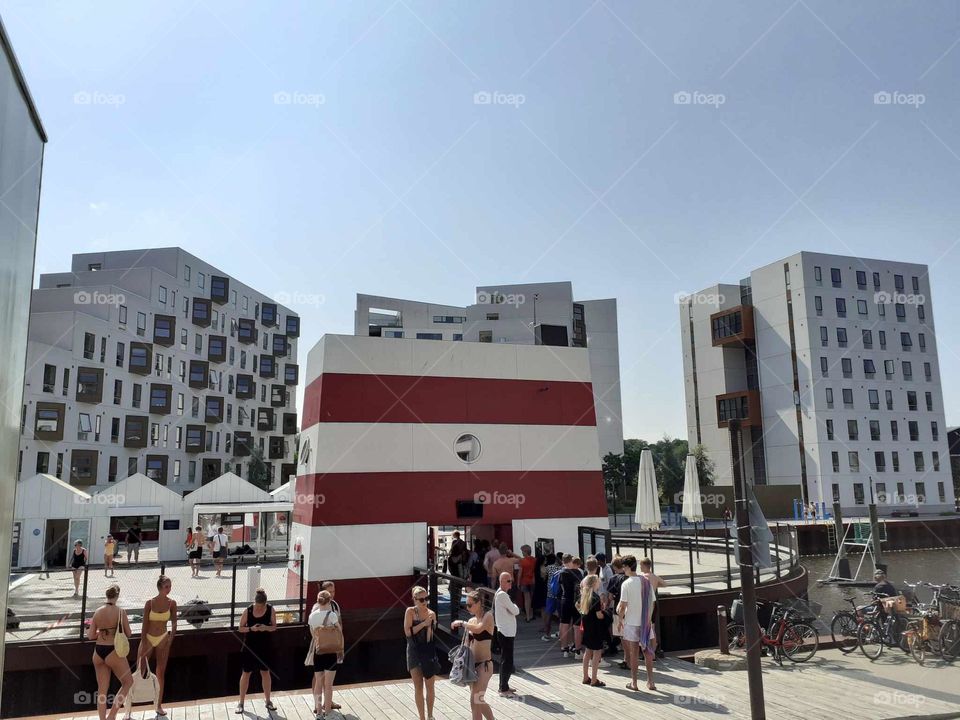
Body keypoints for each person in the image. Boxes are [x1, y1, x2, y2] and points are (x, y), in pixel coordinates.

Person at [87, 584, 132, 720]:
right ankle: (112, 715)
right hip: (113, 650)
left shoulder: (97, 612)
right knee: (128, 682)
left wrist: (103, 631)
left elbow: (90, 636)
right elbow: (128, 633)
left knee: (102, 690)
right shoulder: (120, 612)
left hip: (98, 650)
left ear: (107, 595)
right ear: (117, 596)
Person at [451, 591, 495, 720]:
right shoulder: (471, 620)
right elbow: (466, 644)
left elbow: (479, 629)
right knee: (478, 701)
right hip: (471, 665)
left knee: (475, 699)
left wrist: (462, 623)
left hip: (484, 665)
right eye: (466, 605)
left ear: (479, 603)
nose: (467, 608)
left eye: (470, 605)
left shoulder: (488, 616)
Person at [138, 575, 177, 716]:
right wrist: (143, 642)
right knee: (140, 671)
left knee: (160, 672)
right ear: (160, 587)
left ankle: (158, 705)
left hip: (162, 638)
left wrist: (170, 640)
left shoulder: (172, 603)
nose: (169, 589)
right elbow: (144, 626)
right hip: (148, 637)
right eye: (166, 587)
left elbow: (174, 624)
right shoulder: (150, 603)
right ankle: (129, 705)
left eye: (170, 586)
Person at [617, 555, 656, 692]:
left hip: (632, 622)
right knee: (647, 651)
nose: (623, 569)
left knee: (634, 653)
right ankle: (650, 681)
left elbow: (622, 606)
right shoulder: (646, 581)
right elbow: (652, 603)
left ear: (627, 567)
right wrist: (648, 619)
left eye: (623, 566)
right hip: (645, 621)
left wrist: (620, 620)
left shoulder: (626, 584)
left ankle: (634, 682)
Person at [236, 587, 277, 714]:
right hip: (250, 646)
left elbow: (274, 627)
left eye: (261, 607)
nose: (259, 609)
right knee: (246, 673)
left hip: (265, 646)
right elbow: (240, 628)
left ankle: (268, 701)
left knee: (265, 672)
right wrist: (251, 629)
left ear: (265, 604)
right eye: (257, 607)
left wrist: (265, 627)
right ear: (254, 603)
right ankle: (241, 702)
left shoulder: (270, 609)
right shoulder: (247, 610)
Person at [404, 586, 438, 720]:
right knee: (418, 686)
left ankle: (430, 715)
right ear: (415, 600)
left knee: (430, 685)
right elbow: (408, 632)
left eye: (427, 599)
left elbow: (431, 637)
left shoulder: (432, 613)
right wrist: (424, 623)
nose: (425, 602)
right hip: (414, 650)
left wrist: (429, 625)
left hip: (427, 650)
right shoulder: (410, 612)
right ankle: (421, 717)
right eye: (422, 599)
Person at [309, 590, 343, 719]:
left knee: (318, 682)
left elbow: (313, 634)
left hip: (319, 651)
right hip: (331, 652)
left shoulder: (312, 616)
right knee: (328, 685)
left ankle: (318, 712)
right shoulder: (333, 615)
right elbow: (339, 632)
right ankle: (328, 712)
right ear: (329, 601)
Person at [494, 571, 520, 697]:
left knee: (507, 659)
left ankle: (505, 685)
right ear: (502, 582)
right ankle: (503, 689)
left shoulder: (500, 594)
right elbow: (516, 611)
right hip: (506, 632)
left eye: (511, 581)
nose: (511, 583)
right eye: (508, 581)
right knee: (507, 661)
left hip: (506, 631)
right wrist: (514, 606)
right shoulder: (503, 595)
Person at [578, 575, 605, 687]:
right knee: (597, 652)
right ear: (594, 583)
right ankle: (594, 679)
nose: (599, 583)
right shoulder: (595, 597)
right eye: (598, 582)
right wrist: (605, 614)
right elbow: (599, 615)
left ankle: (585, 677)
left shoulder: (584, 595)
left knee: (588, 651)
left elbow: (577, 605)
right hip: (595, 627)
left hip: (587, 626)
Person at [557, 554, 581, 657]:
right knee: (576, 626)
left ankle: (564, 648)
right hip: (576, 601)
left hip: (565, 599)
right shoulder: (577, 572)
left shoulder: (561, 573)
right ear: (571, 560)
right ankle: (577, 650)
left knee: (564, 624)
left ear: (562, 561)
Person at [605, 558, 627, 662]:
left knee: (622, 634)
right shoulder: (629, 577)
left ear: (614, 567)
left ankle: (626, 658)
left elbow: (609, 597)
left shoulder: (613, 579)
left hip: (618, 608)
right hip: (631, 609)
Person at [541, 552, 564, 641]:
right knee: (561, 616)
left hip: (551, 594)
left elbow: (542, 575)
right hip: (560, 595)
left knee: (549, 615)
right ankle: (561, 633)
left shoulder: (550, 568)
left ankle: (547, 635)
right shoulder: (564, 569)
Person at [448, 531, 468, 618]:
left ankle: (454, 603)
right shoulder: (463, 544)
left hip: (453, 574)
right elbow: (464, 559)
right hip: (459, 574)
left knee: (451, 589)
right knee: (459, 589)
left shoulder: (450, 558)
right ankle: (458, 603)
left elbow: (449, 567)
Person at [518, 545, 537, 622]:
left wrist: (518, 582)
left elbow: (520, 573)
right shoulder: (534, 560)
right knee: (532, 598)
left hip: (524, 581)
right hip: (532, 581)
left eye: (522, 551)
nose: (522, 553)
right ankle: (531, 614)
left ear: (525, 552)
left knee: (527, 599)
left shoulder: (522, 561)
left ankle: (528, 616)